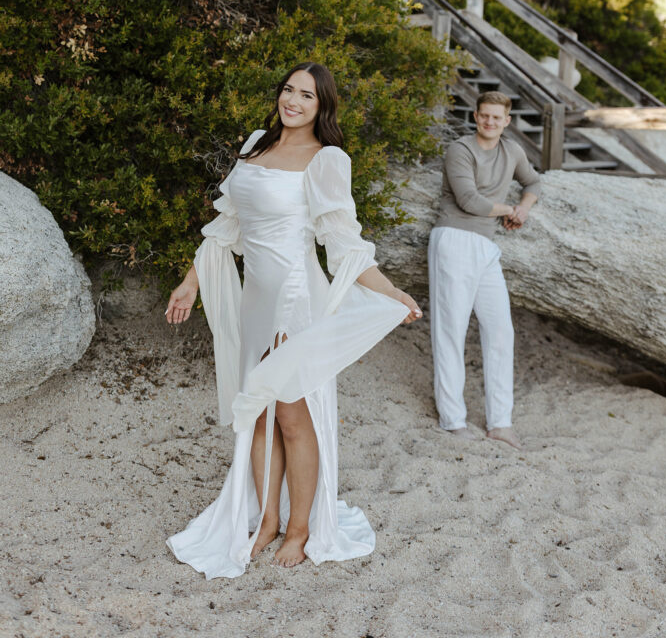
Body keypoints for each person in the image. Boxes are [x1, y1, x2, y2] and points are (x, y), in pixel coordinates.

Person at [164, 62, 422, 577]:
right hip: (256, 301)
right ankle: (266, 519)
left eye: (307, 95)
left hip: (296, 301)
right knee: (259, 411)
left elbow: (343, 243)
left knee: (290, 414)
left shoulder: (327, 160)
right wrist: (190, 283)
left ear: (321, 107)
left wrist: (392, 292)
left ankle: (300, 528)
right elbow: (226, 226)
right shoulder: (257, 143)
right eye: (289, 90)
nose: (294, 101)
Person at [428, 90, 541, 450]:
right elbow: (469, 200)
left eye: (497, 117)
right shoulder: (460, 149)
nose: (490, 122)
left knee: (500, 330)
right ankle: (452, 420)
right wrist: (509, 210)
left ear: (507, 121)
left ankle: (500, 423)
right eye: (484, 116)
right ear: (475, 117)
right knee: (451, 331)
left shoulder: (512, 151)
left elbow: (534, 182)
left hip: (487, 248)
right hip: (454, 240)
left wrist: (523, 208)